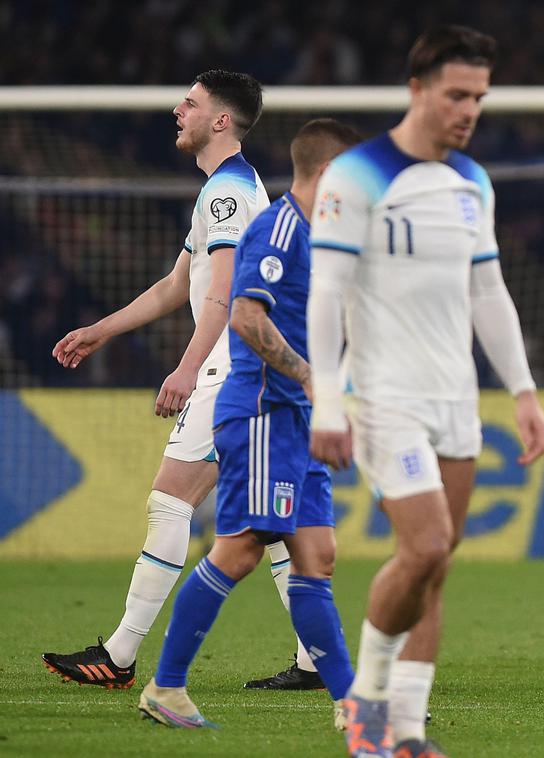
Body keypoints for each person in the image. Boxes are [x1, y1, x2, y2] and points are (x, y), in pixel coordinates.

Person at [305, 25, 544, 756]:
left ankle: (406, 732)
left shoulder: (472, 181)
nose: (469, 109)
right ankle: (365, 703)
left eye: (478, 96)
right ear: (417, 91)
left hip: (456, 401)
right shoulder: (357, 176)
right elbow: (326, 295)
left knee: (436, 570)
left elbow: (488, 292)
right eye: (456, 95)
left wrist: (524, 391)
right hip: (385, 398)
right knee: (426, 545)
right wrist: (325, 401)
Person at [40, 70, 319, 690]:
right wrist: (101, 330)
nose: (177, 110)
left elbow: (222, 292)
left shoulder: (226, 194)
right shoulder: (230, 189)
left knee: (171, 501)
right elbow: (177, 285)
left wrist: (190, 369)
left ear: (221, 120)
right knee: (262, 520)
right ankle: (315, 658)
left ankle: (118, 655)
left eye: (189, 104)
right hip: (256, 367)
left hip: (231, 365)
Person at [137, 119, 363, 729]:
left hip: (301, 417)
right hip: (263, 412)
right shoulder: (278, 227)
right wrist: (310, 377)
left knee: (317, 554)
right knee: (238, 552)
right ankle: (167, 685)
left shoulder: (328, 237)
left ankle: (351, 704)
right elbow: (244, 316)